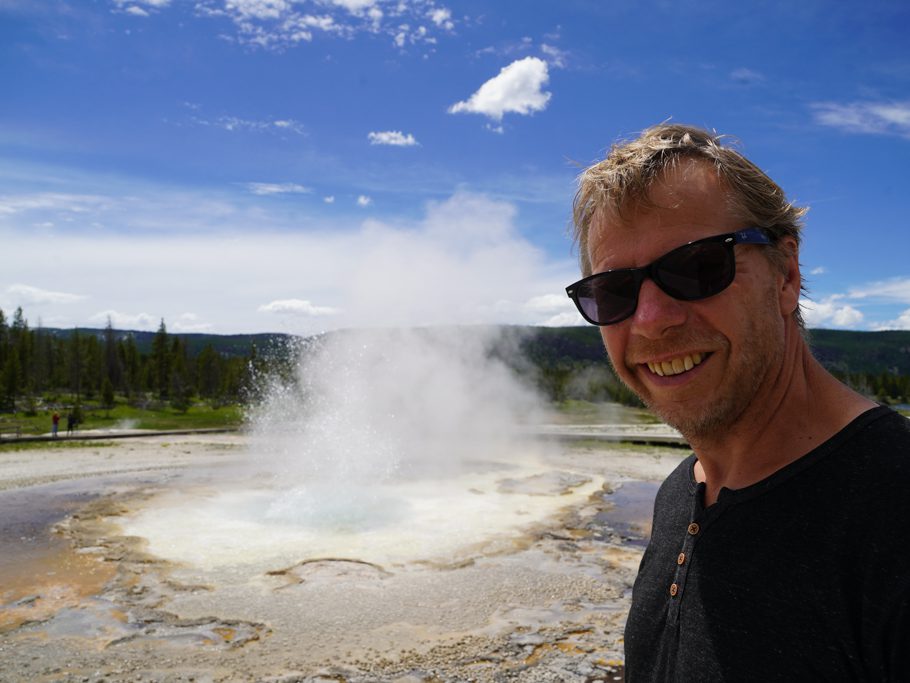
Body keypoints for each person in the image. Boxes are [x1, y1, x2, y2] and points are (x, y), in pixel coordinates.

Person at [566, 123, 910, 681]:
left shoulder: (892, 515)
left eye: (698, 267)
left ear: (787, 275)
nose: (651, 322)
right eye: (614, 291)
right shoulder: (683, 492)